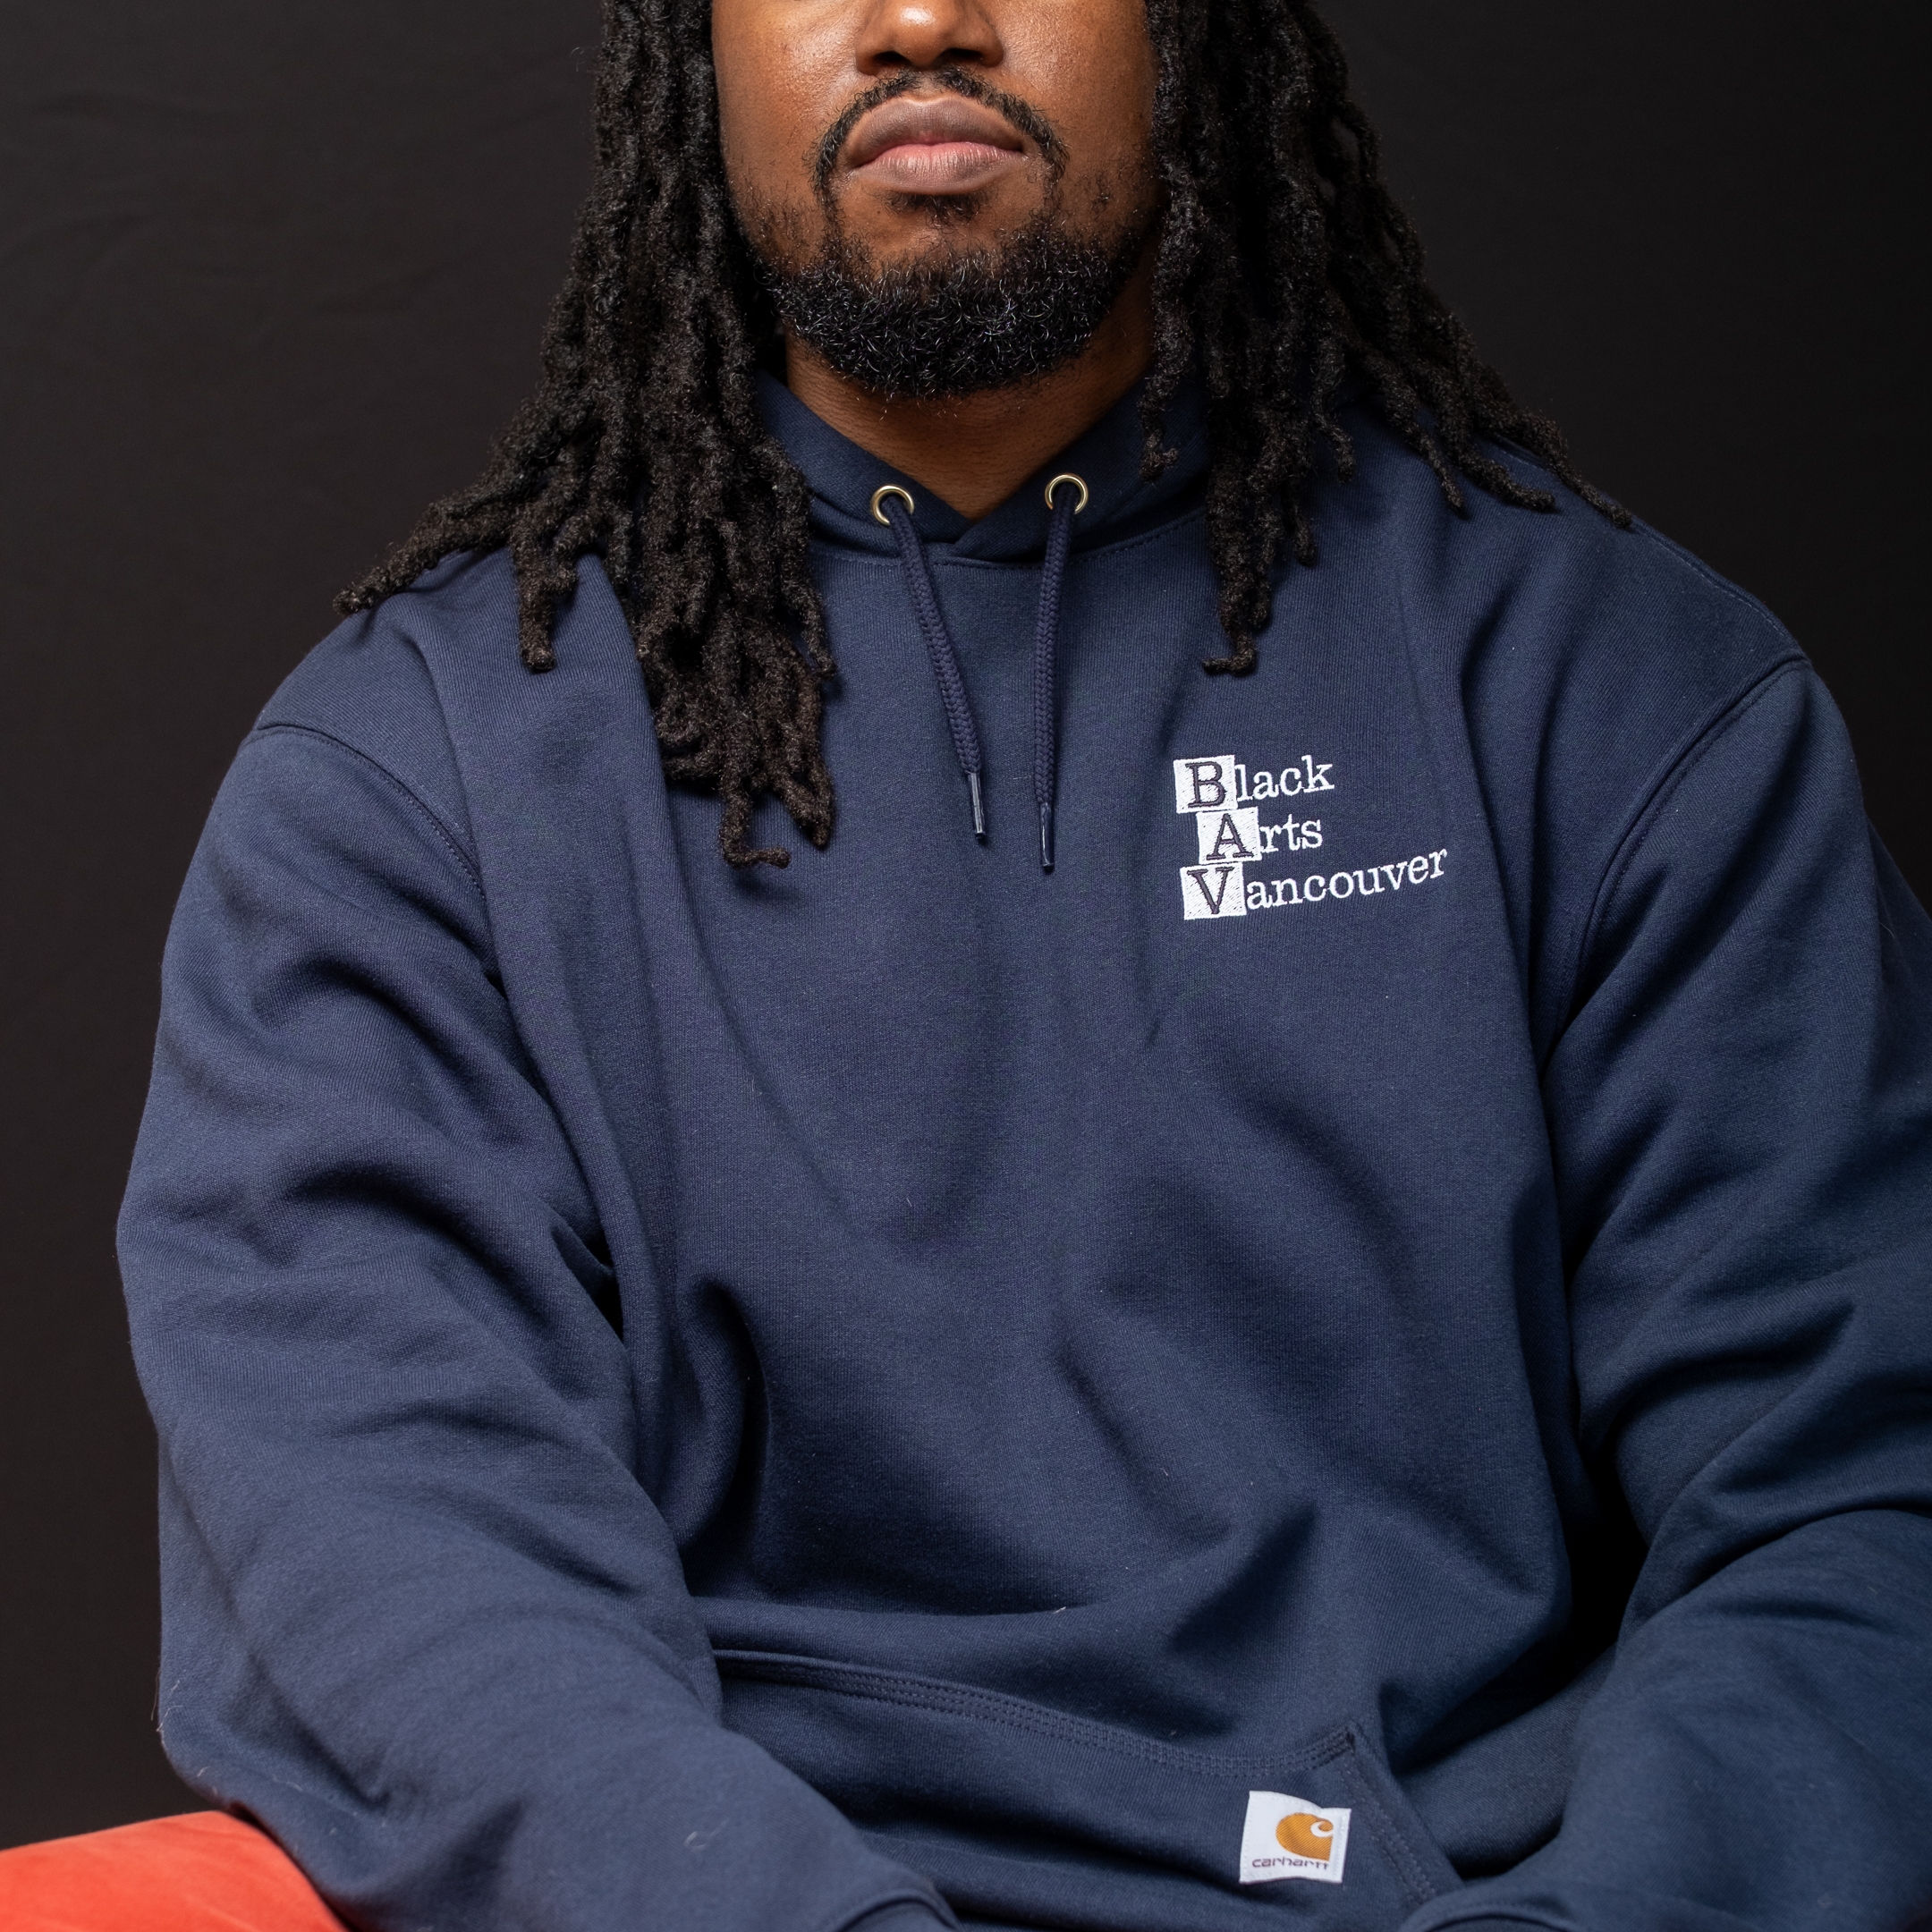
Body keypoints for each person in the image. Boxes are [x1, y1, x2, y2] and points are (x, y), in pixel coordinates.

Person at [10, 0, 1929, 1926]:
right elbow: (396, 1564)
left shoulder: (1609, 695)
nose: (924, 17)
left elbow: (1851, 1484)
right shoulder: (413, 780)